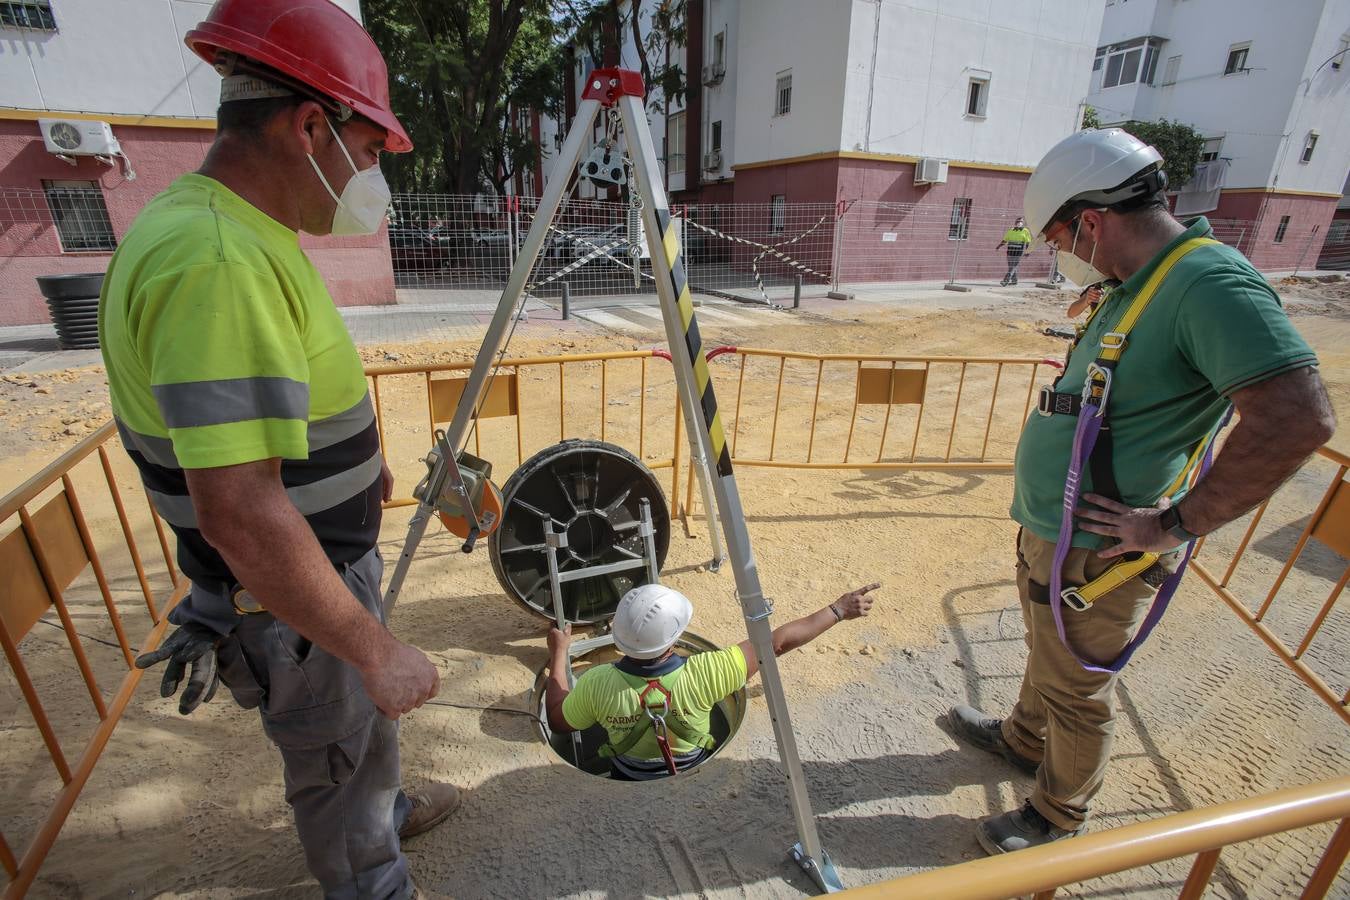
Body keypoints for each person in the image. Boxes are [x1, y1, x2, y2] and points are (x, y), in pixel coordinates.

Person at [101, 1, 457, 895]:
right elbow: (242, 509)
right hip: (296, 594)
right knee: (334, 755)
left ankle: (387, 808)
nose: (375, 176)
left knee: (362, 736)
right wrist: (373, 650)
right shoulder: (216, 260)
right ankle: (369, 874)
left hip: (322, 571)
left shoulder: (236, 228)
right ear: (311, 127)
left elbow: (267, 409)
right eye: (371, 151)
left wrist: (358, 460)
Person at [947, 128, 1336, 855]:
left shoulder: (1208, 283)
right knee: (1046, 651)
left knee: (1076, 686)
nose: (1055, 251)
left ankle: (1056, 814)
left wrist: (1175, 524)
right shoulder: (1142, 283)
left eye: (1057, 235)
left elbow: (1297, 419)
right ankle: (1022, 739)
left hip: (1102, 551)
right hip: (1060, 532)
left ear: (1090, 222)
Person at [545, 582, 879, 780]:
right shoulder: (706, 672)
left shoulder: (598, 683)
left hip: (625, 775)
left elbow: (559, 721)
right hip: (692, 776)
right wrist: (837, 610)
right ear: (674, 639)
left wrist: (559, 652)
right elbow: (776, 642)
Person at [995, 217, 1034, 285]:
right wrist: (999, 246)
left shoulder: (1026, 231)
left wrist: (1028, 251)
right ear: (1015, 222)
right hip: (1010, 251)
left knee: (1013, 266)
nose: (1019, 223)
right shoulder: (1011, 230)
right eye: (1018, 221)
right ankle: (1014, 281)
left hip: (1018, 252)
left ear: (1023, 223)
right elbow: (1005, 240)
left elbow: (1028, 242)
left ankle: (1006, 280)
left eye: (1021, 221)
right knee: (1011, 267)